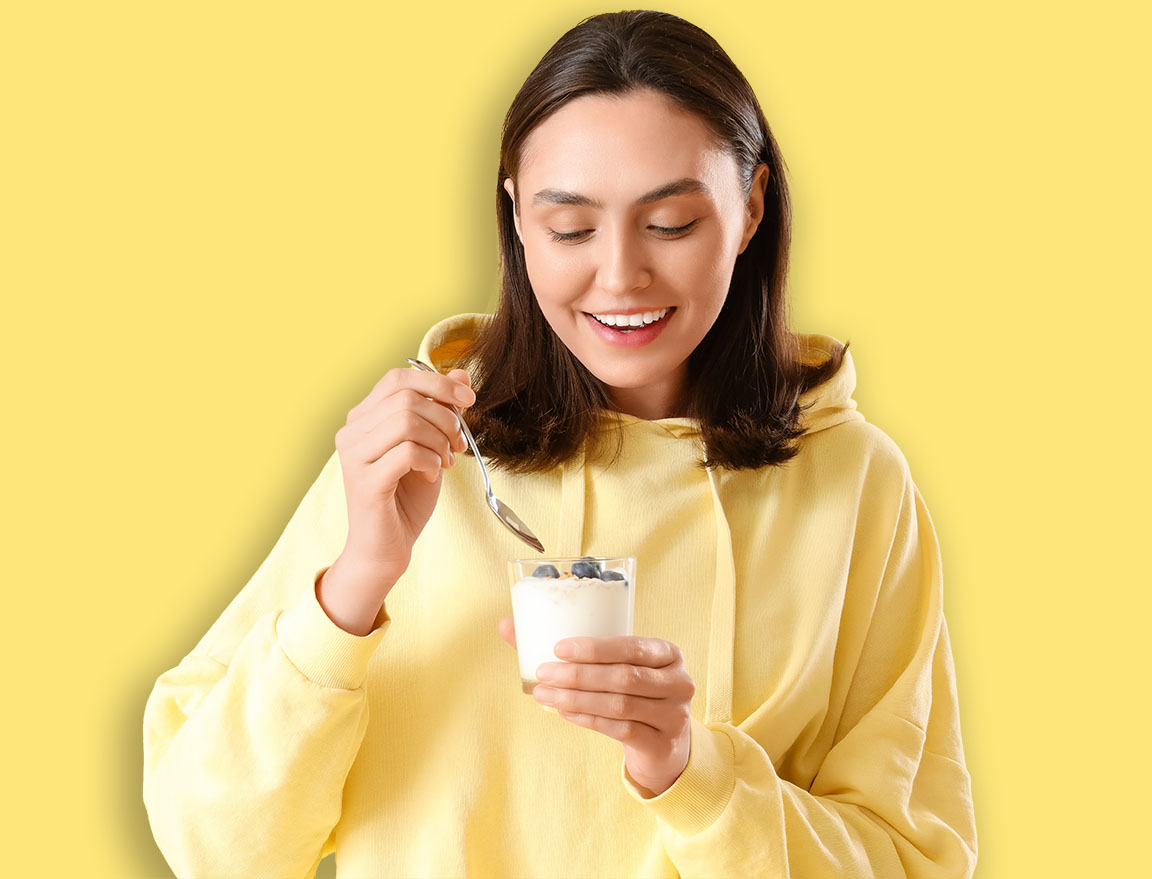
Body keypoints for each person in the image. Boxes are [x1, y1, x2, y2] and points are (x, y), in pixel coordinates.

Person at [143, 10, 977, 878]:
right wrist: (354, 584)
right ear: (515, 216)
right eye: (571, 228)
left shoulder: (856, 485)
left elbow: (911, 859)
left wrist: (691, 771)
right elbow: (212, 842)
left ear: (752, 205)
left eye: (673, 224)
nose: (620, 276)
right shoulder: (422, 461)